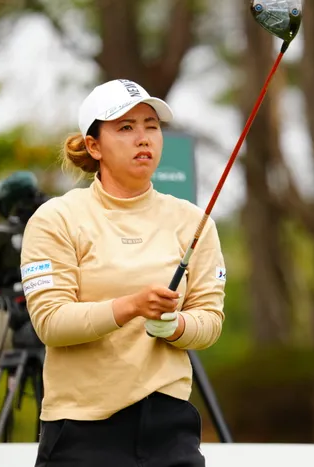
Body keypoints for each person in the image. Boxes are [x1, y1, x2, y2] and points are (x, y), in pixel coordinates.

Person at [19, 78, 227, 467]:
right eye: (126, 127)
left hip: (169, 428)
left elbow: (210, 320)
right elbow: (51, 322)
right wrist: (131, 306)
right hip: (80, 430)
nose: (143, 138)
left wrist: (177, 326)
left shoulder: (193, 221)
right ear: (94, 145)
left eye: (151, 125)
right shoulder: (56, 218)